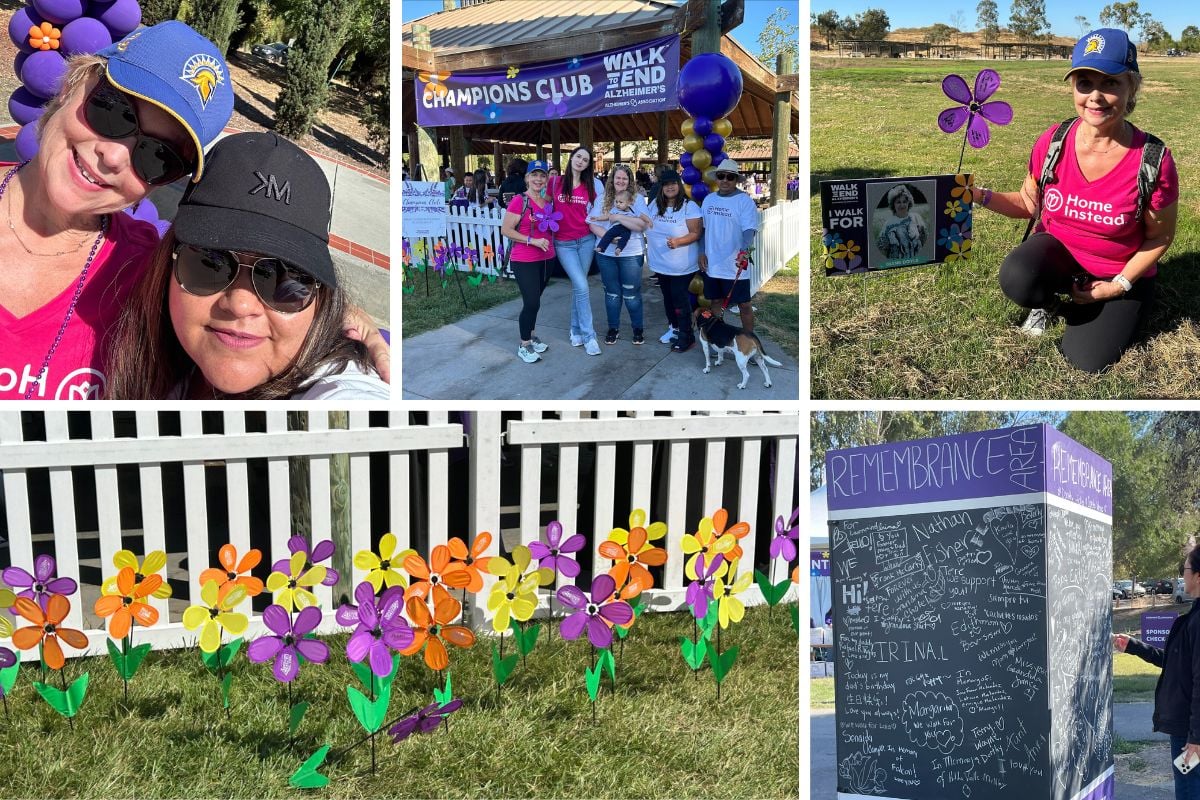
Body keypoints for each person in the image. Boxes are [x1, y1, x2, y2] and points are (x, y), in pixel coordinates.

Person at [0, 22, 234, 400]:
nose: (112, 156)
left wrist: (349, 335)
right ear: (72, 84)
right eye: (113, 111)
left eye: (158, 156)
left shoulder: (152, 278)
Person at [105, 133, 388, 399]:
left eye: (283, 277)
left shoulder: (339, 391)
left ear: (320, 298)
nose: (240, 305)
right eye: (209, 263)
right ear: (167, 263)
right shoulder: (122, 282)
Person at [970, 27, 1178, 372]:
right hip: (1060, 257)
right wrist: (979, 196)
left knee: (1086, 361)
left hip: (1118, 271)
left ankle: (1099, 303)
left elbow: (1160, 237)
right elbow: (1027, 202)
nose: (1095, 96)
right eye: (1084, 83)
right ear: (1073, 88)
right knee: (1019, 276)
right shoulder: (1054, 141)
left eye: (1110, 83)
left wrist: (1117, 286)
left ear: (1132, 88)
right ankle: (1051, 301)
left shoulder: (1152, 160)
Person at [1115, 546, 1200, 798]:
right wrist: (1133, 646)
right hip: (1188, 728)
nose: (1181, 575)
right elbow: (1176, 664)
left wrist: (1196, 737)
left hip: (1189, 731)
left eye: (1184, 569)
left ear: (1198, 576)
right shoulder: (1193, 616)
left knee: (1188, 790)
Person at [547, 145, 604, 355]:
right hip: (564, 244)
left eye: (585, 160)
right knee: (582, 286)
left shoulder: (592, 186)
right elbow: (543, 205)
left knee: (578, 288)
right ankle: (590, 336)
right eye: (578, 157)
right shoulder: (555, 183)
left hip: (586, 241)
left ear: (588, 165)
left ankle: (575, 330)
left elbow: (597, 213)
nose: (581, 161)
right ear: (571, 158)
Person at [499, 160, 555, 363]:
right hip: (524, 259)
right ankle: (524, 344)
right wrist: (532, 240)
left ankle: (531, 334)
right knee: (531, 302)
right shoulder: (519, 201)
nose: (538, 179)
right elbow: (506, 230)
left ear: (546, 180)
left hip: (547, 258)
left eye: (542, 176)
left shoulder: (547, 203)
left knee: (536, 302)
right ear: (527, 178)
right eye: (534, 175)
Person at [589, 164, 650, 345]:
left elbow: (642, 225)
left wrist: (618, 218)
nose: (621, 181)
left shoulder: (636, 199)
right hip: (606, 253)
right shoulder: (602, 199)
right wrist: (610, 239)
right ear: (612, 179)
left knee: (631, 294)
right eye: (618, 178)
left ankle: (637, 329)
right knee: (612, 293)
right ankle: (613, 328)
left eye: (625, 178)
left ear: (629, 180)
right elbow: (593, 223)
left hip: (631, 253)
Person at [643, 169, 702, 352]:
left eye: (673, 183)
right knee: (668, 299)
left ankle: (687, 336)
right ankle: (673, 329)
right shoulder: (654, 205)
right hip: (660, 264)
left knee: (680, 300)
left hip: (681, 266)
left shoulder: (689, 206)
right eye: (666, 184)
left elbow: (696, 233)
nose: (670, 187)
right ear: (661, 187)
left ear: (679, 185)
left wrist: (678, 241)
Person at [697, 159, 759, 333]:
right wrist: (702, 251)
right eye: (721, 176)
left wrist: (744, 252)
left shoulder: (744, 201)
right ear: (716, 178)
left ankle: (749, 341)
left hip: (734, 264)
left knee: (744, 304)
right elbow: (703, 229)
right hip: (713, 263)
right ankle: (719, 337)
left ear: (735, 180)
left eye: (730, 177)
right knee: (715, 301)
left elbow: (749, 230)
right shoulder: (709, 200)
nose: (725, 180)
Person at [590, 190, 651, 256]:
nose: (618, 204)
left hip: (627, 228)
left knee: (625, 238)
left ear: (628, 203)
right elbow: (607, 216)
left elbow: (642, 216)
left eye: (621, 202)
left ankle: (619, 249)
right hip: (616, 227)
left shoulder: (633, 210)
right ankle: (601, 247)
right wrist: (598, 218)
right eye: (616, 202)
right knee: (608, 234)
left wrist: (648, 221)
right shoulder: (615, 209)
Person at [876, 184, 927, 259]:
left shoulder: (916, 217)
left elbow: (924, 239)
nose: (902, 205)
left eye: (904, 202)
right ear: (893, 204)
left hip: (915, 259)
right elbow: (881, 247)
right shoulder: (888, 223)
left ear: (909, 203)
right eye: (898, 202)